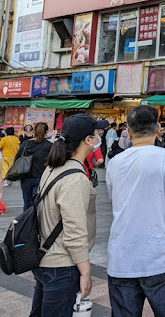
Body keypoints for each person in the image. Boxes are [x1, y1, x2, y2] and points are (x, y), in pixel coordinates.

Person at [106, 105, 165, 317]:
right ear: (157, 129)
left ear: (129, 131)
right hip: (158, 259)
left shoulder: (114, 163)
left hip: (121, 258)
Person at [30, 114, 105, 316]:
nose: (99, 137)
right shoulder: (75, 177)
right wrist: (86, 271)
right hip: (62, 266)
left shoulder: (54, 167)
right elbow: (74, 230)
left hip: (44, 258)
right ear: (87, 140)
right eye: (97, 133)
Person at [18, 122, 53, 211]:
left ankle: (26, 223)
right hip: (41, 177)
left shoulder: (25, 144)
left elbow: (17, 159)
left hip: (25, 177)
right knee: (38, 203)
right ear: (46, 132)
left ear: (34, 131)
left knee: (27, 203)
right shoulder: (49, 146)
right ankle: (36, 223)